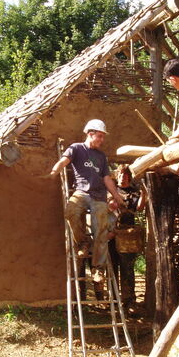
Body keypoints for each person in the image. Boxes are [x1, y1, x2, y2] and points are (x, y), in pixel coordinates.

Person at [47, 119, 125, 283]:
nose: (102, 140)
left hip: (99, 196)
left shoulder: (101, 156)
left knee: (101, 231)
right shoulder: (76, 148)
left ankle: (98, 269)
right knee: (71, 212)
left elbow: (107, 178)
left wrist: (117, 196)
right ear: (90, 134)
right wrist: (54, 171)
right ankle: (82, 243)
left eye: (103, 137)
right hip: (81, 192)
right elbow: (64, 161)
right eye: (100, 136)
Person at [108, 165, 145, 315]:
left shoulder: (134, 192)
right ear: (117, 176)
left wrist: (144, 194)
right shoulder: (111, 190)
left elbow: (140, 208)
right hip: (111, 235)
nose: (122, 177)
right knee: (112, 269)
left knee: (127, 269)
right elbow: (107, 208)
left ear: (129, 177)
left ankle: (129, 302)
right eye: (120, 174)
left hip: (127, 236)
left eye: (125, 175)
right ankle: (114, 302)